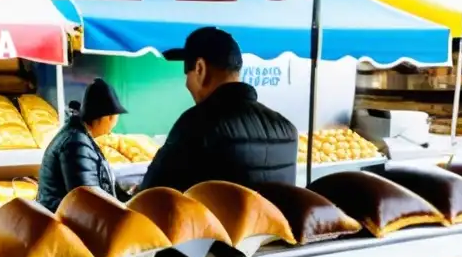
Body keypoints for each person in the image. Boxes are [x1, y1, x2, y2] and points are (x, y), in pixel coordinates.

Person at [141, 27, 297, 191]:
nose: (187, 83)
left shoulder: (197, 124)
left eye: (188, 74)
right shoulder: (286, 129)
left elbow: (153, 193)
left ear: (200, 69)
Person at [37, 78, 126, 212]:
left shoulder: (78, 138)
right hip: (64, 227)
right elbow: (86, 200)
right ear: (109, 117)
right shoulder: (76, 144)